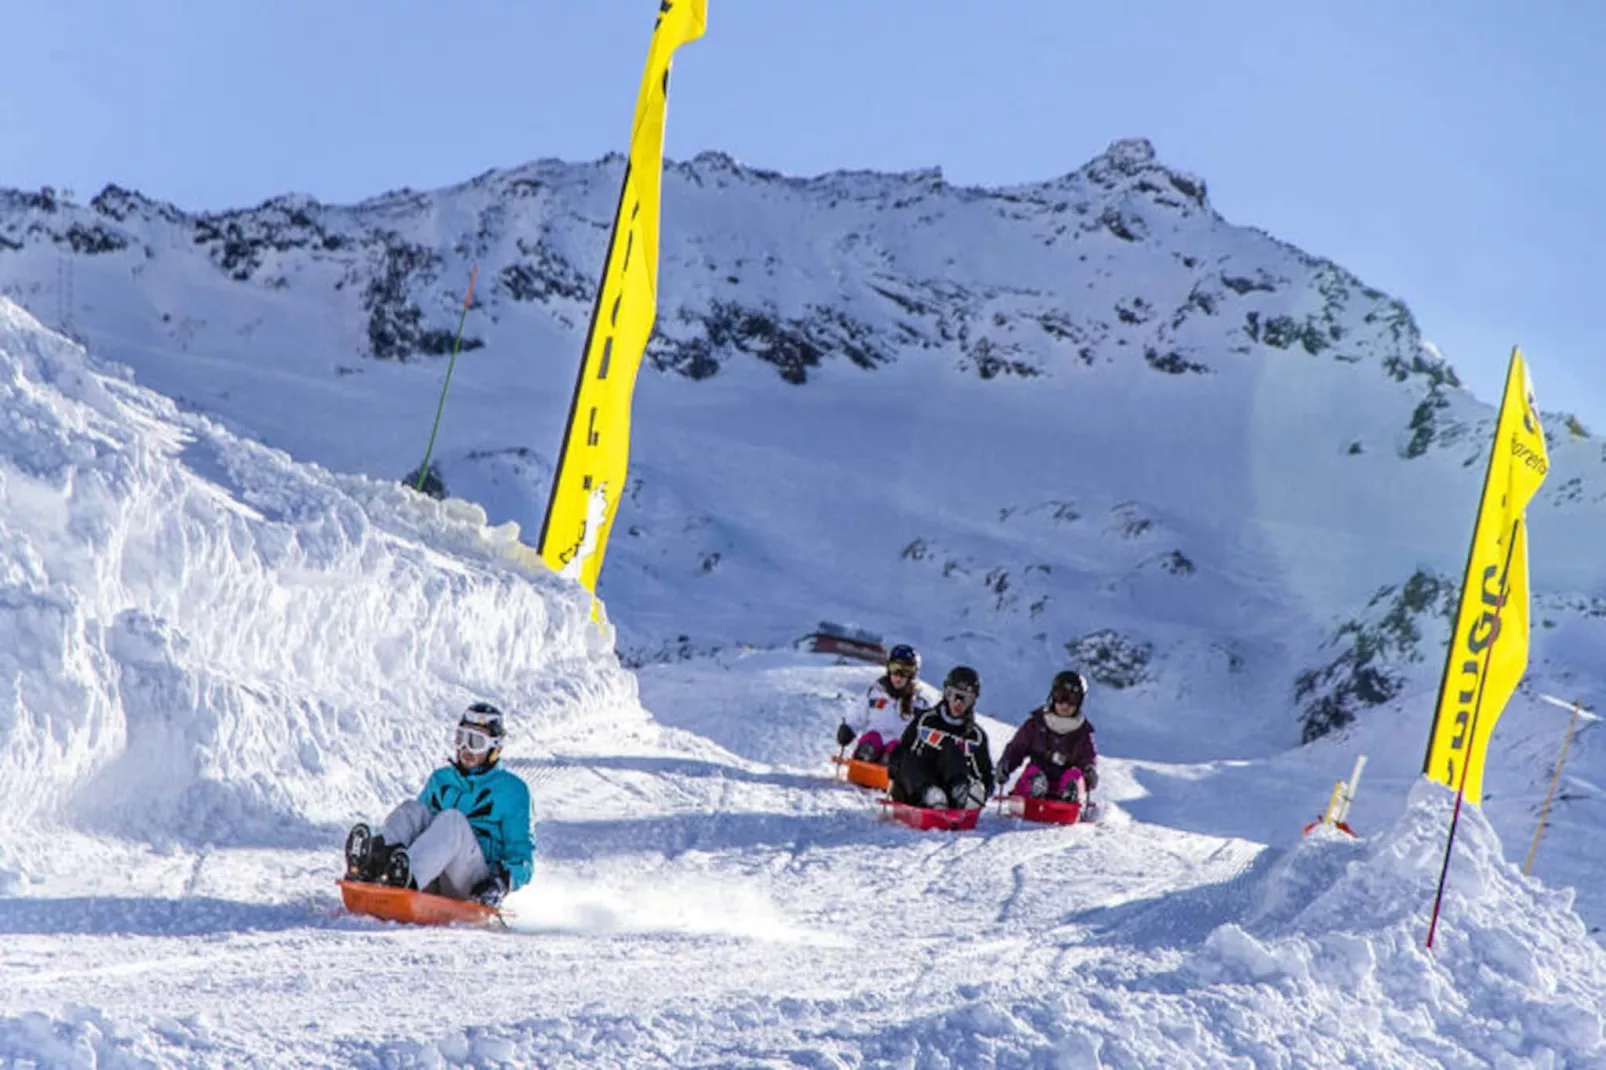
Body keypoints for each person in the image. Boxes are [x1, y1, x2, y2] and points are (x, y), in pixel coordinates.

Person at [343, 702, 534, 906]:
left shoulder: (513, 790)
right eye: (461, 738)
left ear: (495, 748)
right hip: (431, 875)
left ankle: (407, 879)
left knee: (452, 821)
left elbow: (523, 859)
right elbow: (417, 828)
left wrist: (500, 883)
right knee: (412, 810)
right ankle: (373, 864)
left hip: (473, 883)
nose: (466, 748)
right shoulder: (441, 779)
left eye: (476, 741)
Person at [888, 665, 995, 810]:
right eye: (953, 695)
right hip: (917, 791)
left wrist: (981, 791)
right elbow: (902, 751)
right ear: (945, 693)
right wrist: (894, 766)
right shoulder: (925, 720)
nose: (958, 703)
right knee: (909, 758)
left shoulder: (975, 736)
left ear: (973, 701)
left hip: (951, 798)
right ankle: (930, 794)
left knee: (952, 749)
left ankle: (960, 793)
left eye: (966, 699)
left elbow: (986, 775)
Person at [996, 670, 1099, 804]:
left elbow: (1088, 758)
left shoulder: (1082, 733)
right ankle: (1036, 788)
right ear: (1053, 696)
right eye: (1061, 696)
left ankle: (1070, 793)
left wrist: (1089, 771)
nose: (1065, 704)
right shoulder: (1036, 724)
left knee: (1075, 774)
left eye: (1072, 700)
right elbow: (1018, 747)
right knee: (1034, 771)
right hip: (1036, 777)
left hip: (1064, 783)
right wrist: (1007, 763)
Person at [834, 643, 940, 764]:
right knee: (872, 738)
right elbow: (857, 715)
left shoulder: (919, 704)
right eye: (895, 668)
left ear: (913, 674)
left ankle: (889, 763)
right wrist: (848, 729)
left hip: (899, 751)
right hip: (873, 744)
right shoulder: (875, 694)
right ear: (888, 668)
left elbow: (928, 730)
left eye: (905, 671)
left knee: (896, 748)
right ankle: (864, 758)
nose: (898, 676)